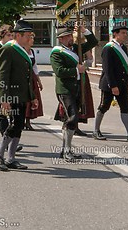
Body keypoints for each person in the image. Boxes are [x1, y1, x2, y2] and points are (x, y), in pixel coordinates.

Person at [0, 20, 37, 171]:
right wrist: (3, 98)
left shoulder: (22, 49)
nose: (30, 38)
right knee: (13, 125)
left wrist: (32, 96)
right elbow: (1, 75)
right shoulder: (8, 49)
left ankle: (11, 158)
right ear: (18, 35)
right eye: (27, 35)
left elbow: (27, 76)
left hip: (21, 95)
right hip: (11, 95)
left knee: (18, 126)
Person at [50, 23, 98, 162]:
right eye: (67, 36)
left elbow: (93, 42)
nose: (70, 38)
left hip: (77, 88)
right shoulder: (57, 53)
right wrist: (78, 70)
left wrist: (84, 31)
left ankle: (66, 149)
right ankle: (67, 150)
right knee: (72, 117)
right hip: (65, 90)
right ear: (61, 39)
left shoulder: (76, 48)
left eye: (70, 35)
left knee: (70, 119)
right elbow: (59, 71)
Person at [94, 22, 128, 143]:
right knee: (104, 106)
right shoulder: (108, 48)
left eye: (126, 33)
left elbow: (124, 68)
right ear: (115, 34)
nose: (125, 35)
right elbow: (108, 69)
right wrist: (113, 85)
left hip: (122, 83)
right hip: (109, 84)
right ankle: (96, 130)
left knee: (125, 108)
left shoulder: (123, 48)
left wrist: (126, 83)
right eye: (123, 33)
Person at [24, 32, 44, 131]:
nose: (33, 40)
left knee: (31, 98)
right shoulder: (21, 50)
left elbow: (35, 67)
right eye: (31, 38)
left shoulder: (32, 51)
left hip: (32, 78)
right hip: (23, 77)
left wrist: (39, 81)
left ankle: (28, 122)